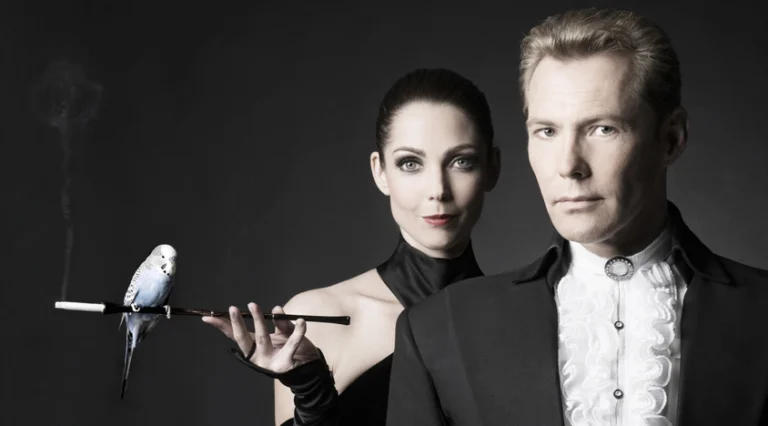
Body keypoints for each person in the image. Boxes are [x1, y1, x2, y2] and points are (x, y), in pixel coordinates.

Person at [386, 8, 768, 426]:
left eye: (602, 129)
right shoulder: (439, 330)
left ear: (671, 139)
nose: (568, 165)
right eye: (547, 131)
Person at [202, 68, 501, 426]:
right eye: (410, 163)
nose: (438, 189)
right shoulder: (317, 319)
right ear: (380, 172)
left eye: (461, 161)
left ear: (491, 168)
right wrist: (312, 398)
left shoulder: (522, 322)